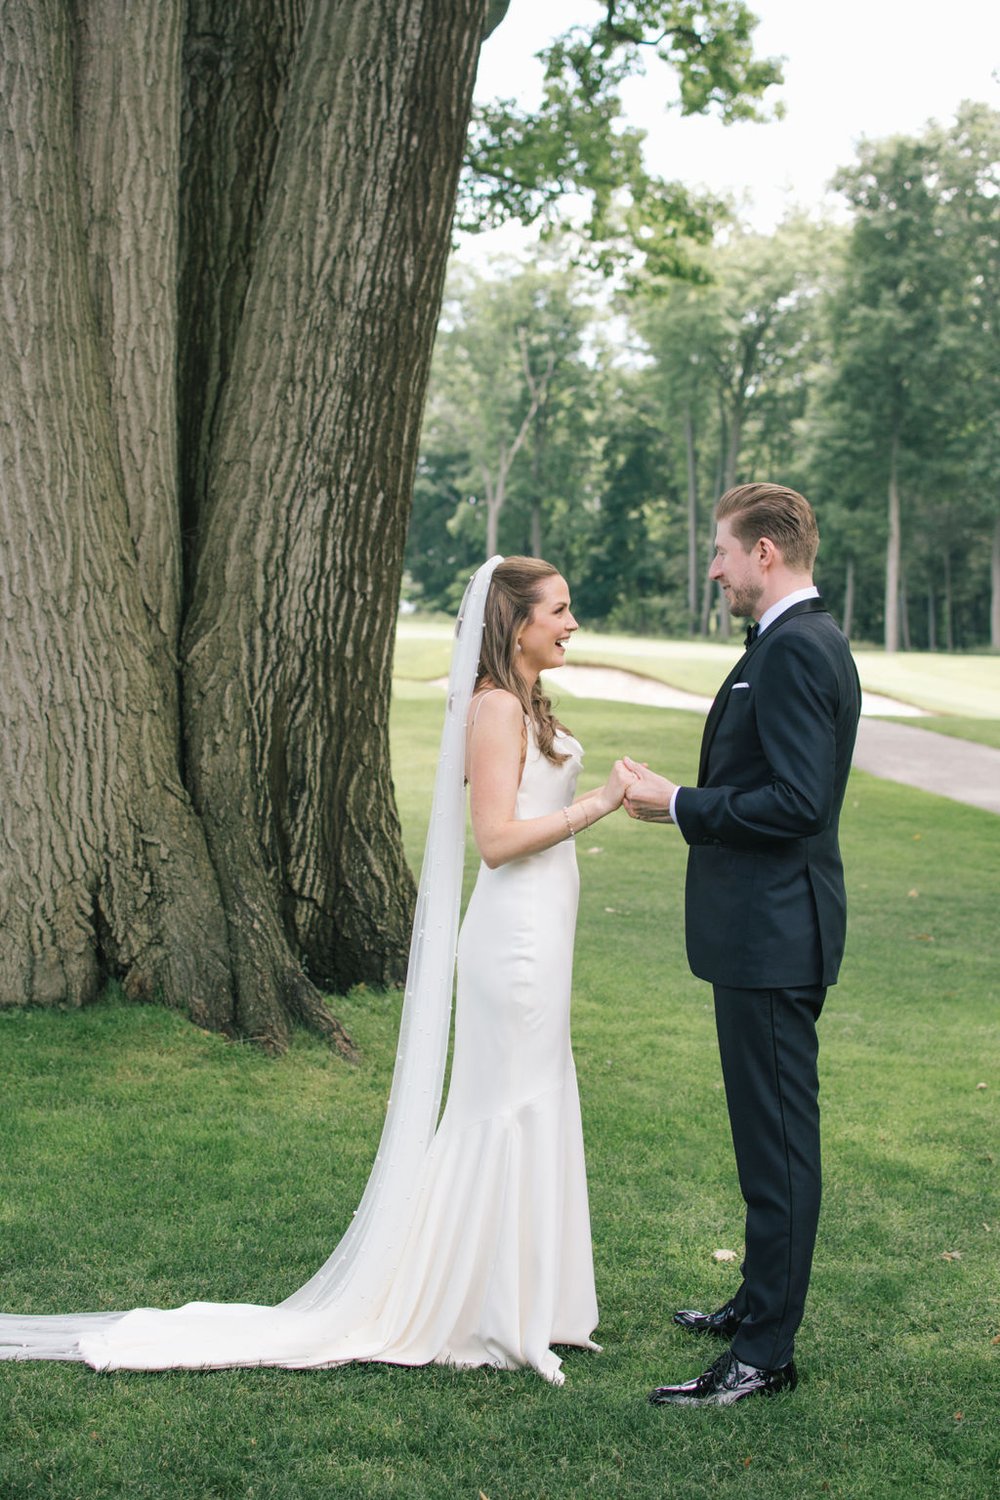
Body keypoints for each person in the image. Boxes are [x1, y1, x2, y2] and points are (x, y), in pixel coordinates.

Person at [0, 555, 631, 1387]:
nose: (573, 623)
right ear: (518, 625)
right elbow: (497, 842)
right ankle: (489, 1314)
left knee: (537, 1097)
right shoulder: (494, 708)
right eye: (560, 610)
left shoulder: (524, 704)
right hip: (512, 943)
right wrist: (601, 802)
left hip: (544, 939)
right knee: (503, 1105)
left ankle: (529, 1303)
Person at [623, 483, 861, 1408]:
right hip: (759, 931)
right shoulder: (788, 642)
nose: (713, 567)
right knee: (763, 1141)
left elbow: (801, 804)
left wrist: (681, 804)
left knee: (779, 1150)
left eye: (721, 551)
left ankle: (766, 1353)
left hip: (775, 935)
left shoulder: (799, 648)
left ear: (766, 552)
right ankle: (757, 1302)